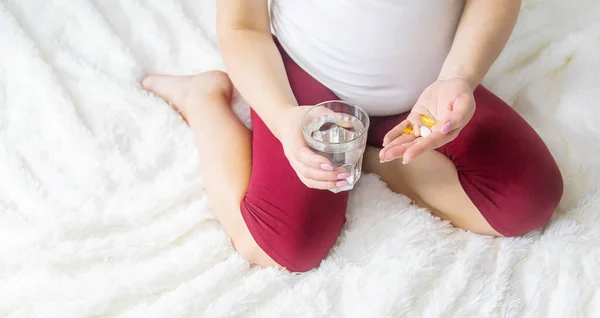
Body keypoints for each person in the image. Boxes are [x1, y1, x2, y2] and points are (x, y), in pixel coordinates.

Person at [141, 0, 564, 272]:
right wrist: (283, 117)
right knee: (283, 245)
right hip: (307, 84)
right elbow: (242, 26)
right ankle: (202, 99)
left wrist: (460, 78)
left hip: (427, 89)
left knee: (528, 199)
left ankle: (370, 151)